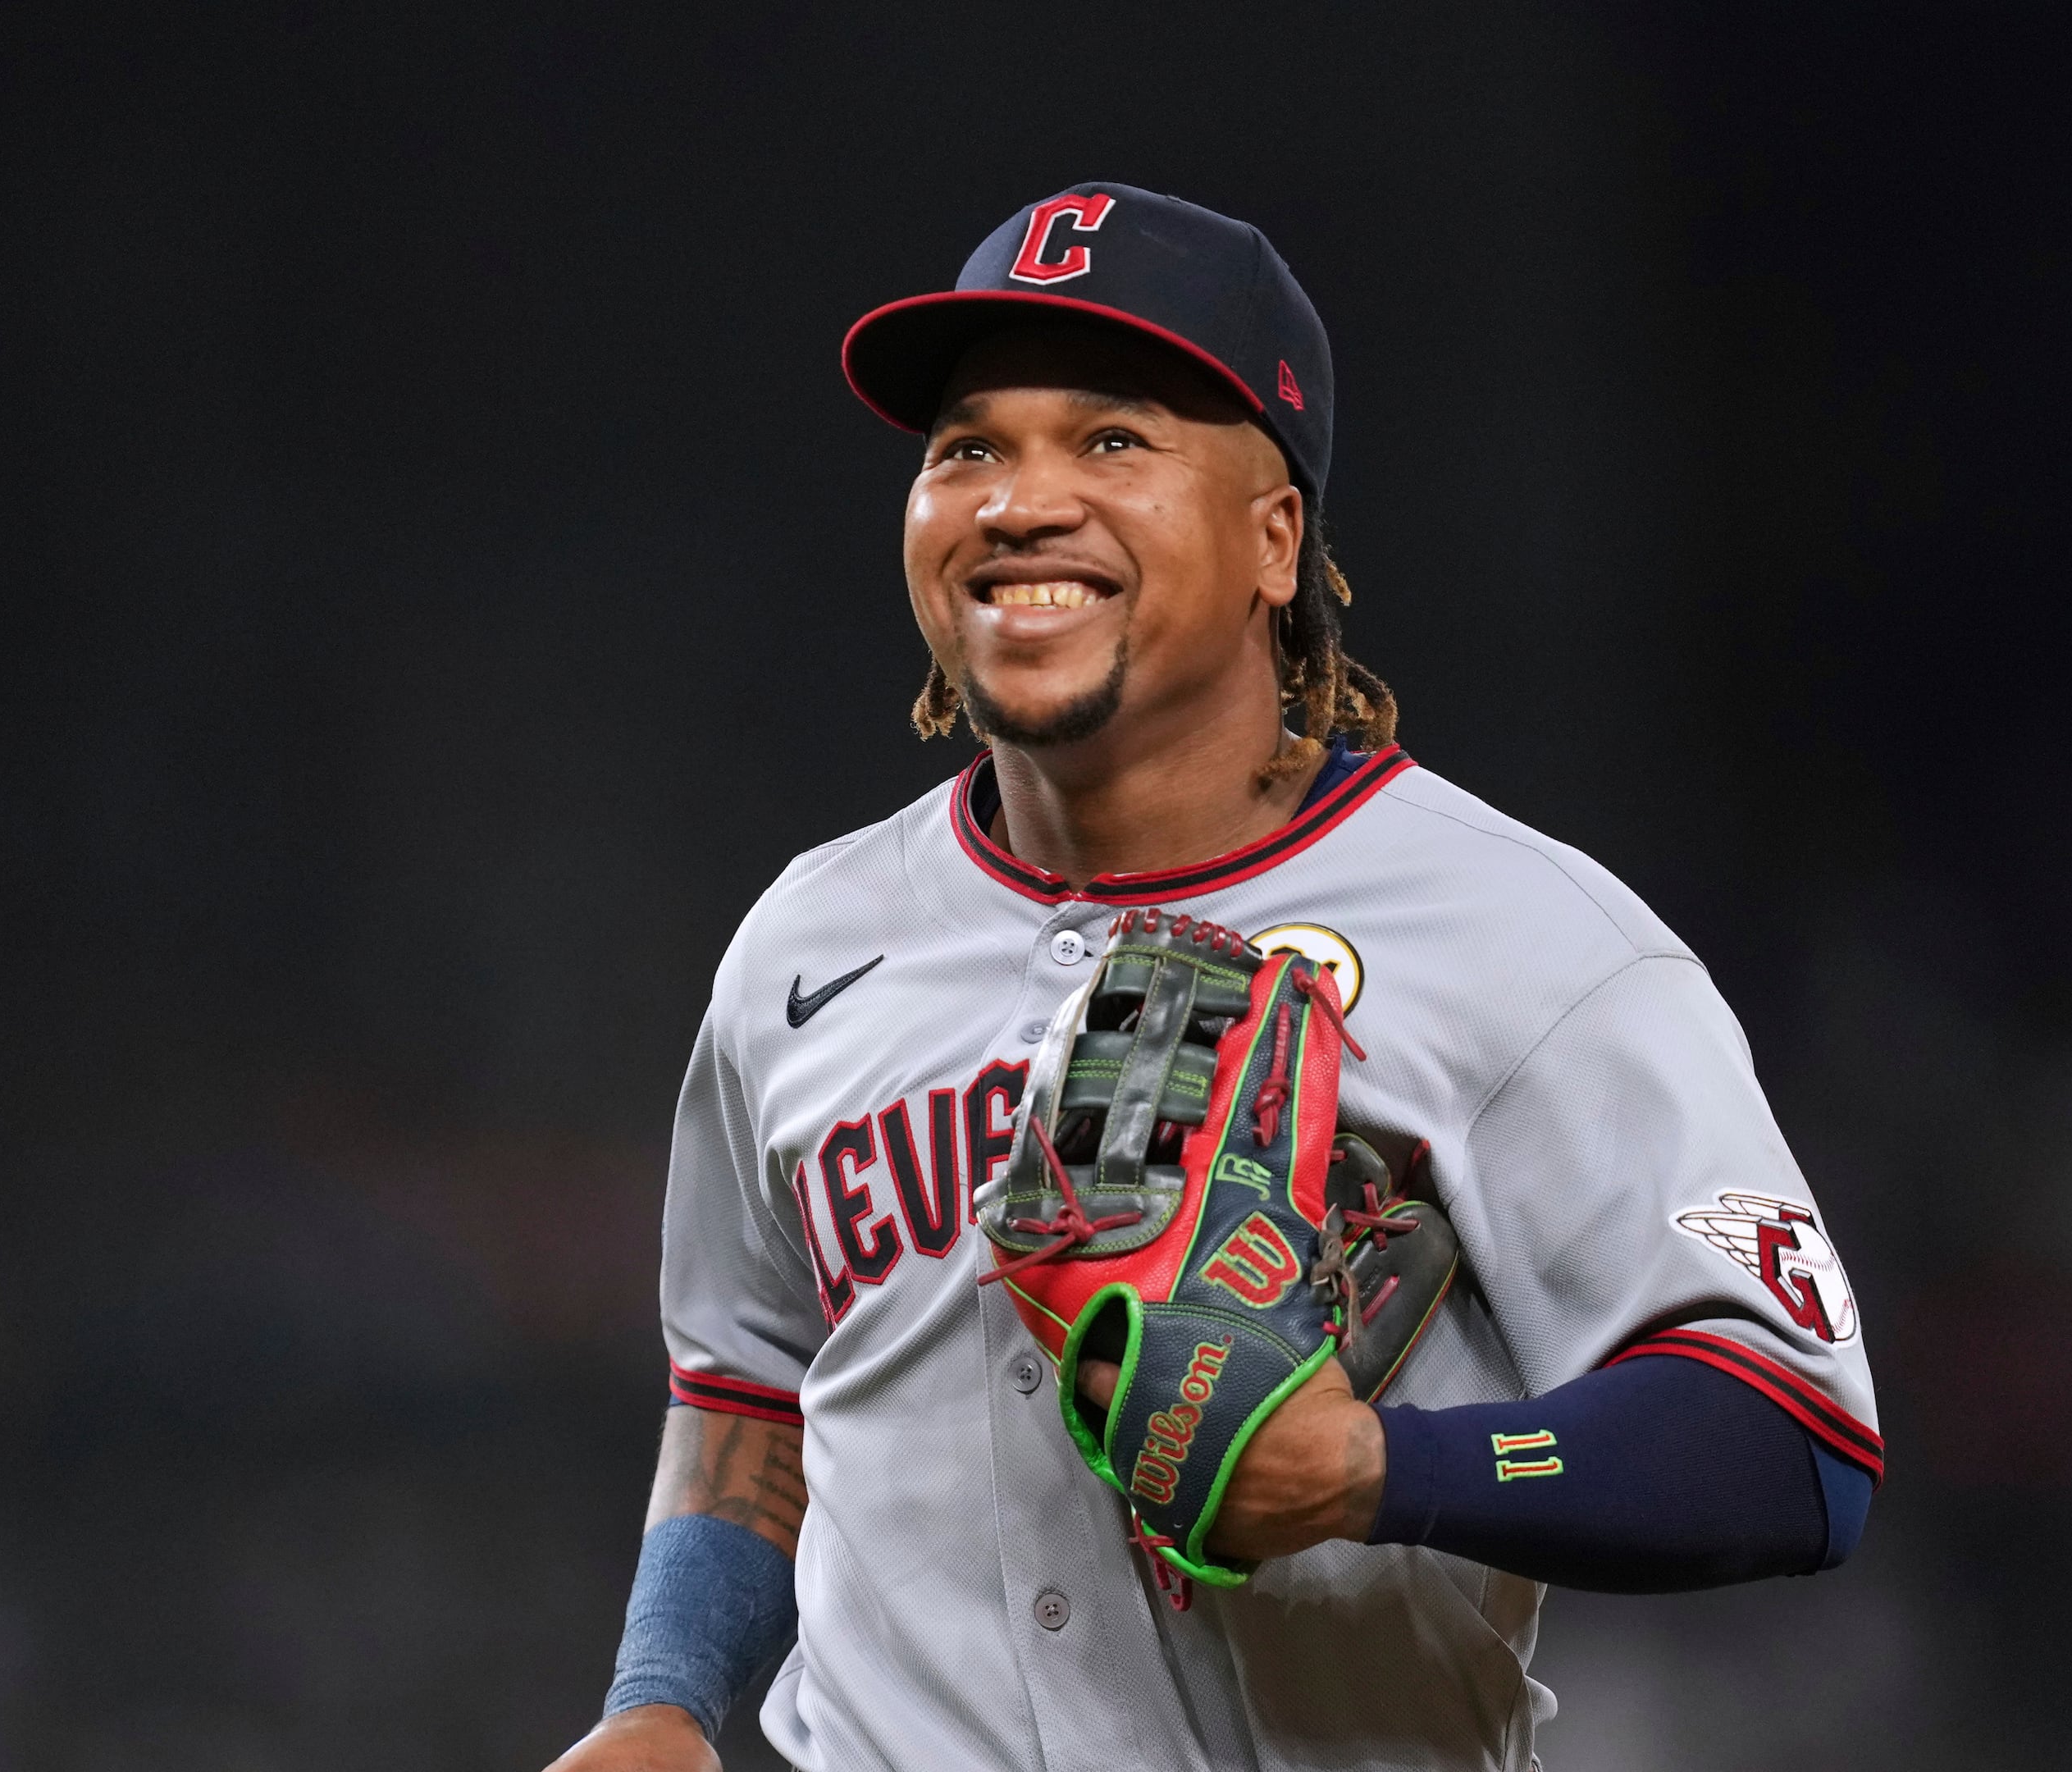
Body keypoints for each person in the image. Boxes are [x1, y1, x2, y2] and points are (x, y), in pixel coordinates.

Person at [546, 182, 1879, 1772]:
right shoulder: (806, 946)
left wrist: (1379, 1467)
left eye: (1113, 441)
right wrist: (665, 1695)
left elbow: (1793, 1440)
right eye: (968, 447)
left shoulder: (1529, 942)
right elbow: (749, 1381)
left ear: (1274, 538)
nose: (1019, 501)